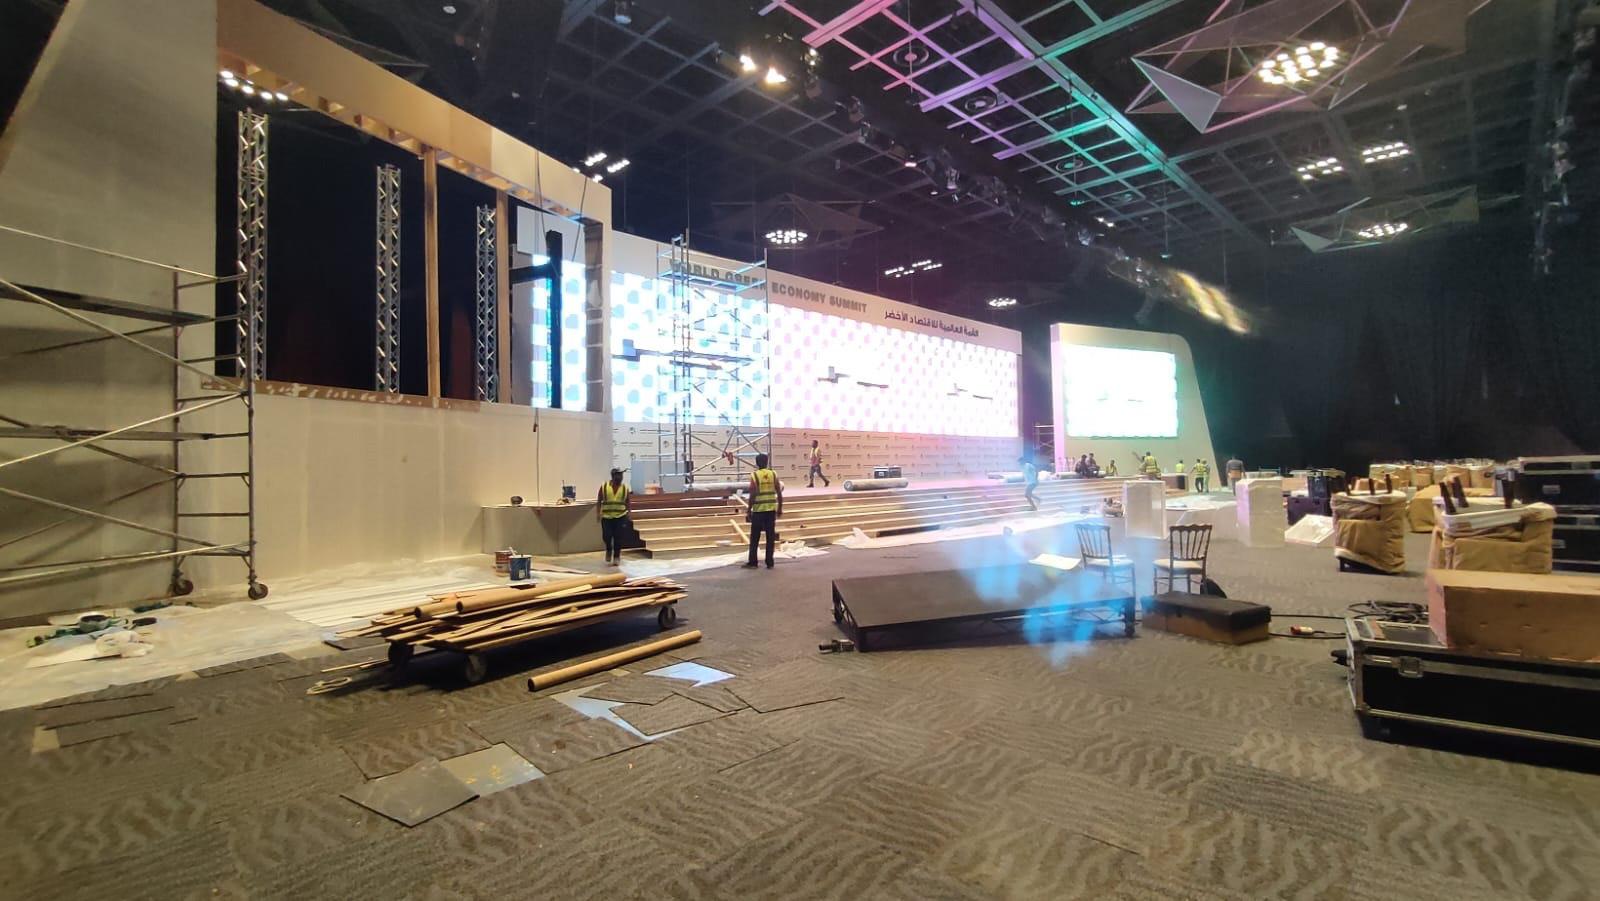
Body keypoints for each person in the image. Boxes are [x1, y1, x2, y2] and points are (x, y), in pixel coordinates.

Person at [743, 453, 782, 569]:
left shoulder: (755, 475)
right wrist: (780, 507)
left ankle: (753, 562)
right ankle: (770, 562)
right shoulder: (773, 474)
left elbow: (753, 494)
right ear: (767, 462)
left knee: (755, 538)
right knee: (770, 537)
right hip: (771, 510)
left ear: (756, 463)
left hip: (759, 511)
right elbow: (779, 492)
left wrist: (749, 510)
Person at [596, 468, 632, 565]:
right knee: (606, 536)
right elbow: (599, 500)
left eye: (621, 475)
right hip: (607, 517)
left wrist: (629, 513)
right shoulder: (604, 487)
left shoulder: (624, 488)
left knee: (618, 537)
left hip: (620, 516)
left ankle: (616, 556)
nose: (620, 477)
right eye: (618, 475)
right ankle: (609, 549)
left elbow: (628, 501)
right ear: (613, 476)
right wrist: (598, 513)